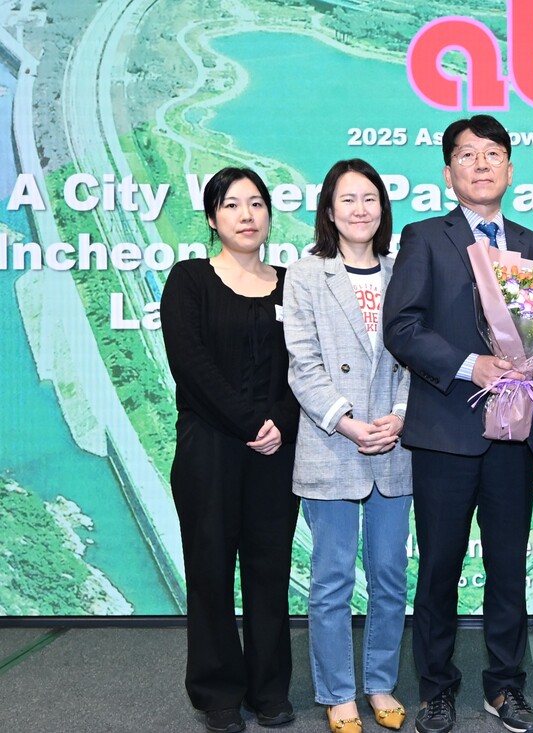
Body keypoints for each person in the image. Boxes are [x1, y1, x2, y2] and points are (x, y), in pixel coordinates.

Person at [382, 115, 533, 733]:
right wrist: (469, 364)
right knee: (439, 569)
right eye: (466, 155)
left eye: (492, 154)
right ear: (449, 172)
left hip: (512, 436)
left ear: (510, 168)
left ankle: (505, 689)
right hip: (445, 436)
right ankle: (436, 688)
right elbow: (401, 330)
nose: (480, 165)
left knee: (508, 567)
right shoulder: (425, 238)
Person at [161, 167, 299, 733]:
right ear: (213, 217)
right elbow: (190, 365)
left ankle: (270, 689)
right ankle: (217, 691)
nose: (247, 215)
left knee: (269, 571)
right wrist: (248, 421)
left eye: (257, 204)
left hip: (275, 451)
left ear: (269, 214)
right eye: (233, 204)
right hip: (209, 449)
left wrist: (277, 425)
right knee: (211, 569)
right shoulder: (189, 279)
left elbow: (304, 368)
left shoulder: (293, 283)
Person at [283, 159, 412, 733]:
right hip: (333, 443)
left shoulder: (405, 268)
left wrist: (401, 416)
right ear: (329, 211)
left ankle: (380, 683)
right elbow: (303, 365)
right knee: (331, 578)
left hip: (397, 443)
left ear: (383, 207)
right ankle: (337, 690)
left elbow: (418, 351)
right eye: (347, 200)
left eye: (370, 199)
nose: (360, 210)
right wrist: (348, 421)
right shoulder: (306, 273)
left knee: (389, 575)